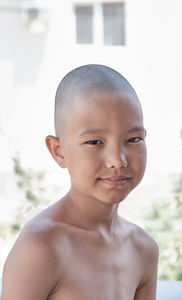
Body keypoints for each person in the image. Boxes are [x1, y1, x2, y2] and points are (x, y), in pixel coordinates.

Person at [1, 64, 159, 300]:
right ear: (59, 151)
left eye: (133, 139)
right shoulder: (41, 246)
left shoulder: (143, 248)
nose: (117, 160)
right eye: (95, 142)